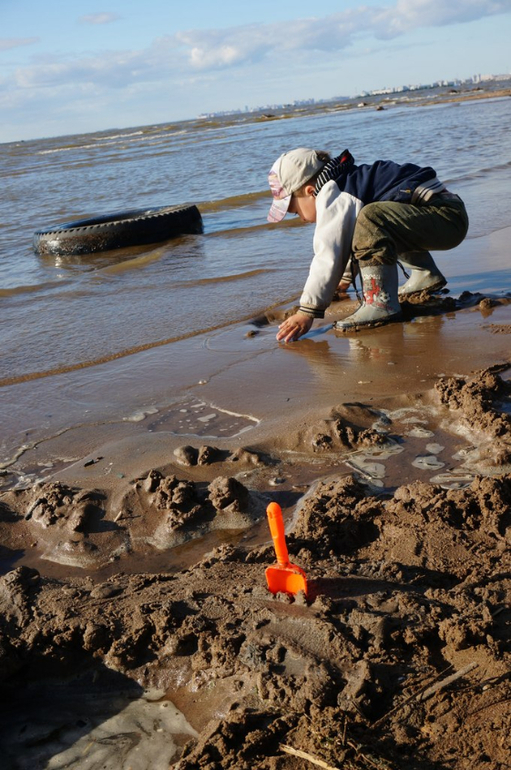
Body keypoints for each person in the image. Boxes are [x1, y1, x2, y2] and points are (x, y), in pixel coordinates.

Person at [267, 147, 469, 342]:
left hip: (445, 219)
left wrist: (307, 311)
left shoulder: (333, 194)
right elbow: (345, 238)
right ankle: (425, 274)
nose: (301, 218)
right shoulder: (348, 184)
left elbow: (328, 253)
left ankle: (380, 303)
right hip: (445, 216)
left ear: (311, 191)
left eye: (296, 211)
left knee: (371, 217)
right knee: (374, 220)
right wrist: (344, 279)